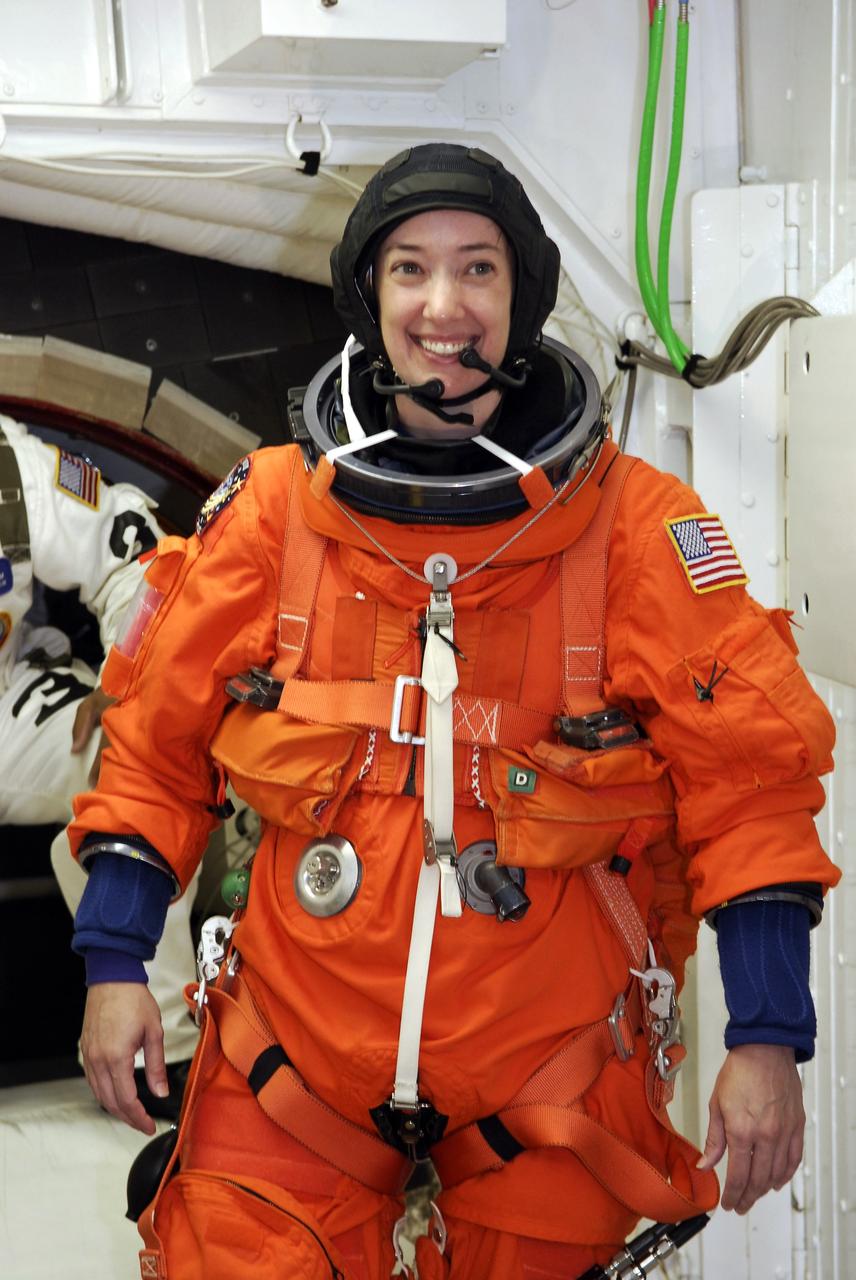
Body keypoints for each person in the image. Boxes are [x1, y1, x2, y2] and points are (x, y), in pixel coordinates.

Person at [67, 144, 839, 1280]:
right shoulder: (279, 512)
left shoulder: (629, 528)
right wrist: (113, 961)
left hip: (548, 1070)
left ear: (518, 297)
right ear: (368, 296)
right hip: (294, 1058)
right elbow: (154, 740)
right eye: (409, 270)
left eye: (477, 268)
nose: (443, 305)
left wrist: (767, 1036)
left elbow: (751, 785)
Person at [0, 415, 199, 1100]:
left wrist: (127, 674)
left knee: (148, 737)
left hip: (8, 709)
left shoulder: (11, 466)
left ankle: (163, 1057)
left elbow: (136, 556)